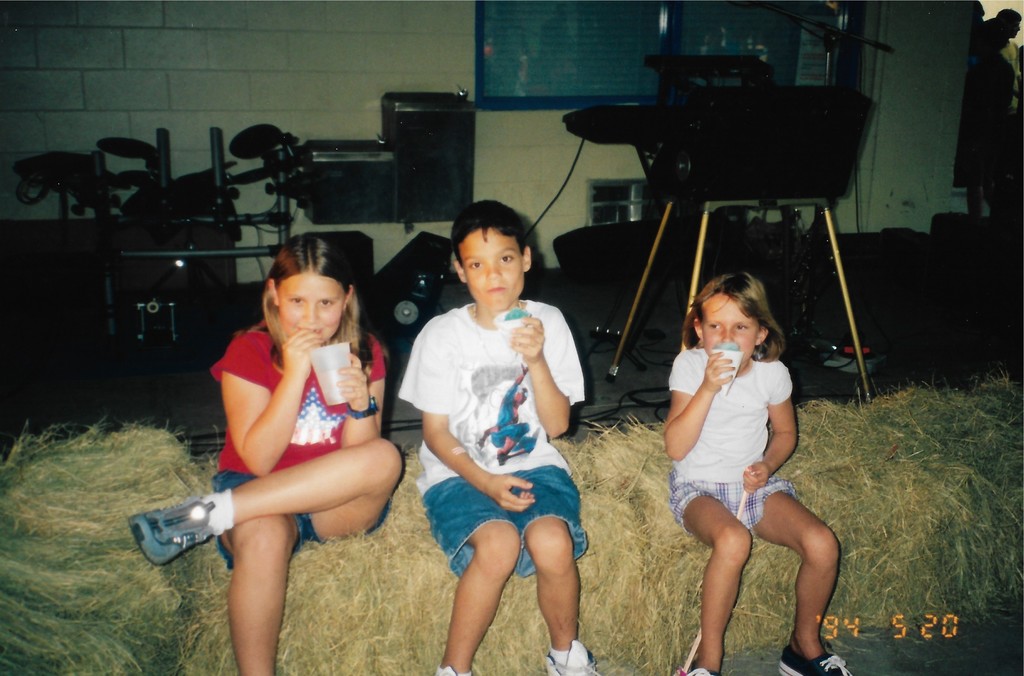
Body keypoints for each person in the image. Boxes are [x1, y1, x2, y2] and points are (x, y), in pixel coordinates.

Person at [128, 234, 402, 675]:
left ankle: (210, 514)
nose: (311, 319)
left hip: (333, 506)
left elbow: (363, 461)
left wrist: (359, 404)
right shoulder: (249, 351)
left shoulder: (364, 352)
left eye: (326, 304)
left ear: (347, 299)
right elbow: (257, 460)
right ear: (273, 294)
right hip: (256, 489)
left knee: (386, 457)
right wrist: (294, 376)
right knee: (266, 535)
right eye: (297, 301)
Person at [398, 200, 597, 676]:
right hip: (459, 473)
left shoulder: (548, 322)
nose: (494, 276)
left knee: (552, 541)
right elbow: (436, 432)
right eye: (477, 264)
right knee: (500, 544)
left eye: (505, 259)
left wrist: (537, 360)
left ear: (526, 258)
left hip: (535, 466)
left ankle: (566, 655)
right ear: (460, 271)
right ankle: (454, 668)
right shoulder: (442, 335)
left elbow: (557, 426)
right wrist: (485, 482)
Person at [663, 272, 850, 676]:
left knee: (822, 544)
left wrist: (767, 465)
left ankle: (804, 645)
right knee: (732, 541)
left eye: (741, 327)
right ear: (698, 330)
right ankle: (707, 659)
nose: (727, 336)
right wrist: (708, 388)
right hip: (699, 488)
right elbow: (675, 446)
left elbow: (784, 434)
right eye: (715, 326)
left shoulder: (773, 374)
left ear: (761, 333)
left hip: (753, 487)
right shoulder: (690, 366)